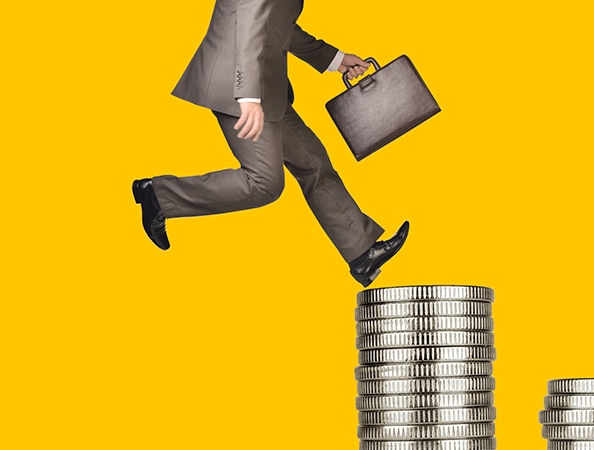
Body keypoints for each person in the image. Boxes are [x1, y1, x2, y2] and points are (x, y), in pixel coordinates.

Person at [131, 0, 408, 287]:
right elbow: (248, 26)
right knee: (264, 182)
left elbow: (277, 25)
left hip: (265, 87)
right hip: (237, 86)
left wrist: (335, 59)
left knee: (312, 161)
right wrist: (248, 97)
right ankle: (159, 195)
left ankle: (362, 252)